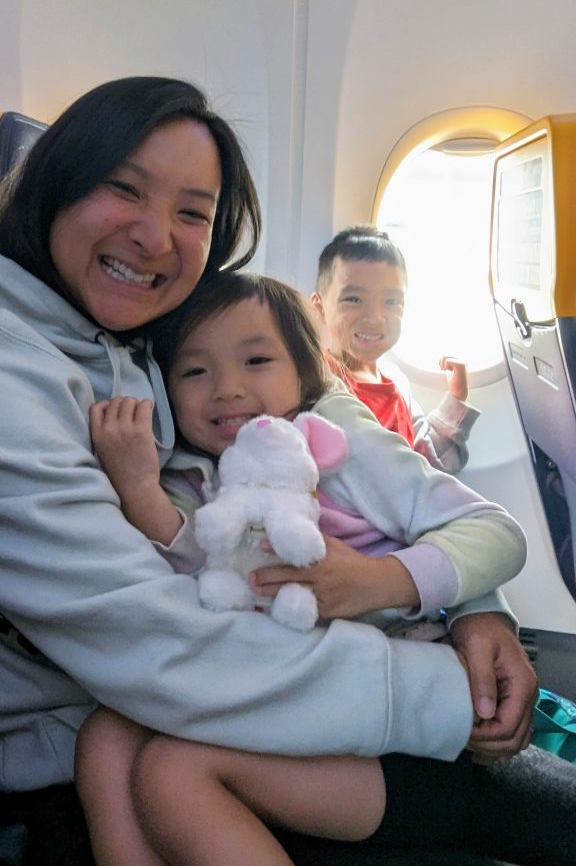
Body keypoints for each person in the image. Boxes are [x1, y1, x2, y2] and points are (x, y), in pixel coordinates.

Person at [0, 74, 572, 866]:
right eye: (122, 189)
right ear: (55, 181)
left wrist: (469, 603)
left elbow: (319, 403)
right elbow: (154, 632)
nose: (156, 238)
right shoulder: (23, 377)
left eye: (193, 212)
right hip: (151, 700)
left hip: (278, 671)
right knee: (148, 766)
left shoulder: (157, 316)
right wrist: (447, 694)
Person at [76, 271, 528, 866]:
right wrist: (138, 487)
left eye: (257, 360)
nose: (227, 389)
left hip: (396, 735)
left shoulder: (339, 444)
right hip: (291, 699)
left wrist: (379, 580)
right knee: (104, 739)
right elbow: (195, 570)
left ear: (304, 371)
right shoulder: (192, 472)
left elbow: (496, 531)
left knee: (171, 774)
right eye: (194, 371)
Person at [311, 225, 479, 473]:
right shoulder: (320, 385)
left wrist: (456, 398)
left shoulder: (396, 381)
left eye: (391, 302)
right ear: (320, 308)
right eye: (353, 299)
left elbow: (427, 462)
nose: (375, 318)